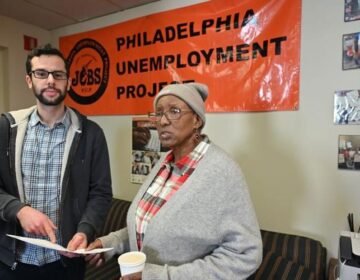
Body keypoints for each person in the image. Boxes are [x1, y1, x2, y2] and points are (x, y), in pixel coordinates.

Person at [86, 82, 262, 279]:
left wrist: (162, 276)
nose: (162, 121)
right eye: (159, 113)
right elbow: (148, 228)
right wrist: (111, 243)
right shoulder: (164, 161)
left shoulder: (222, 171)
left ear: (197, 119)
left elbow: (245, 255)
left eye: (174, 111)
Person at [0, 44, 113, 280]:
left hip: (65, 263)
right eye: (41, 73)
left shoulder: (91, 134)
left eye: (58, 74)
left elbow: (100, 193)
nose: (50, 80)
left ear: (68, 82)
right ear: (29, 80)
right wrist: (18, 210)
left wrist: (85, 230)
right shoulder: (5, 129)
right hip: (12, 263)